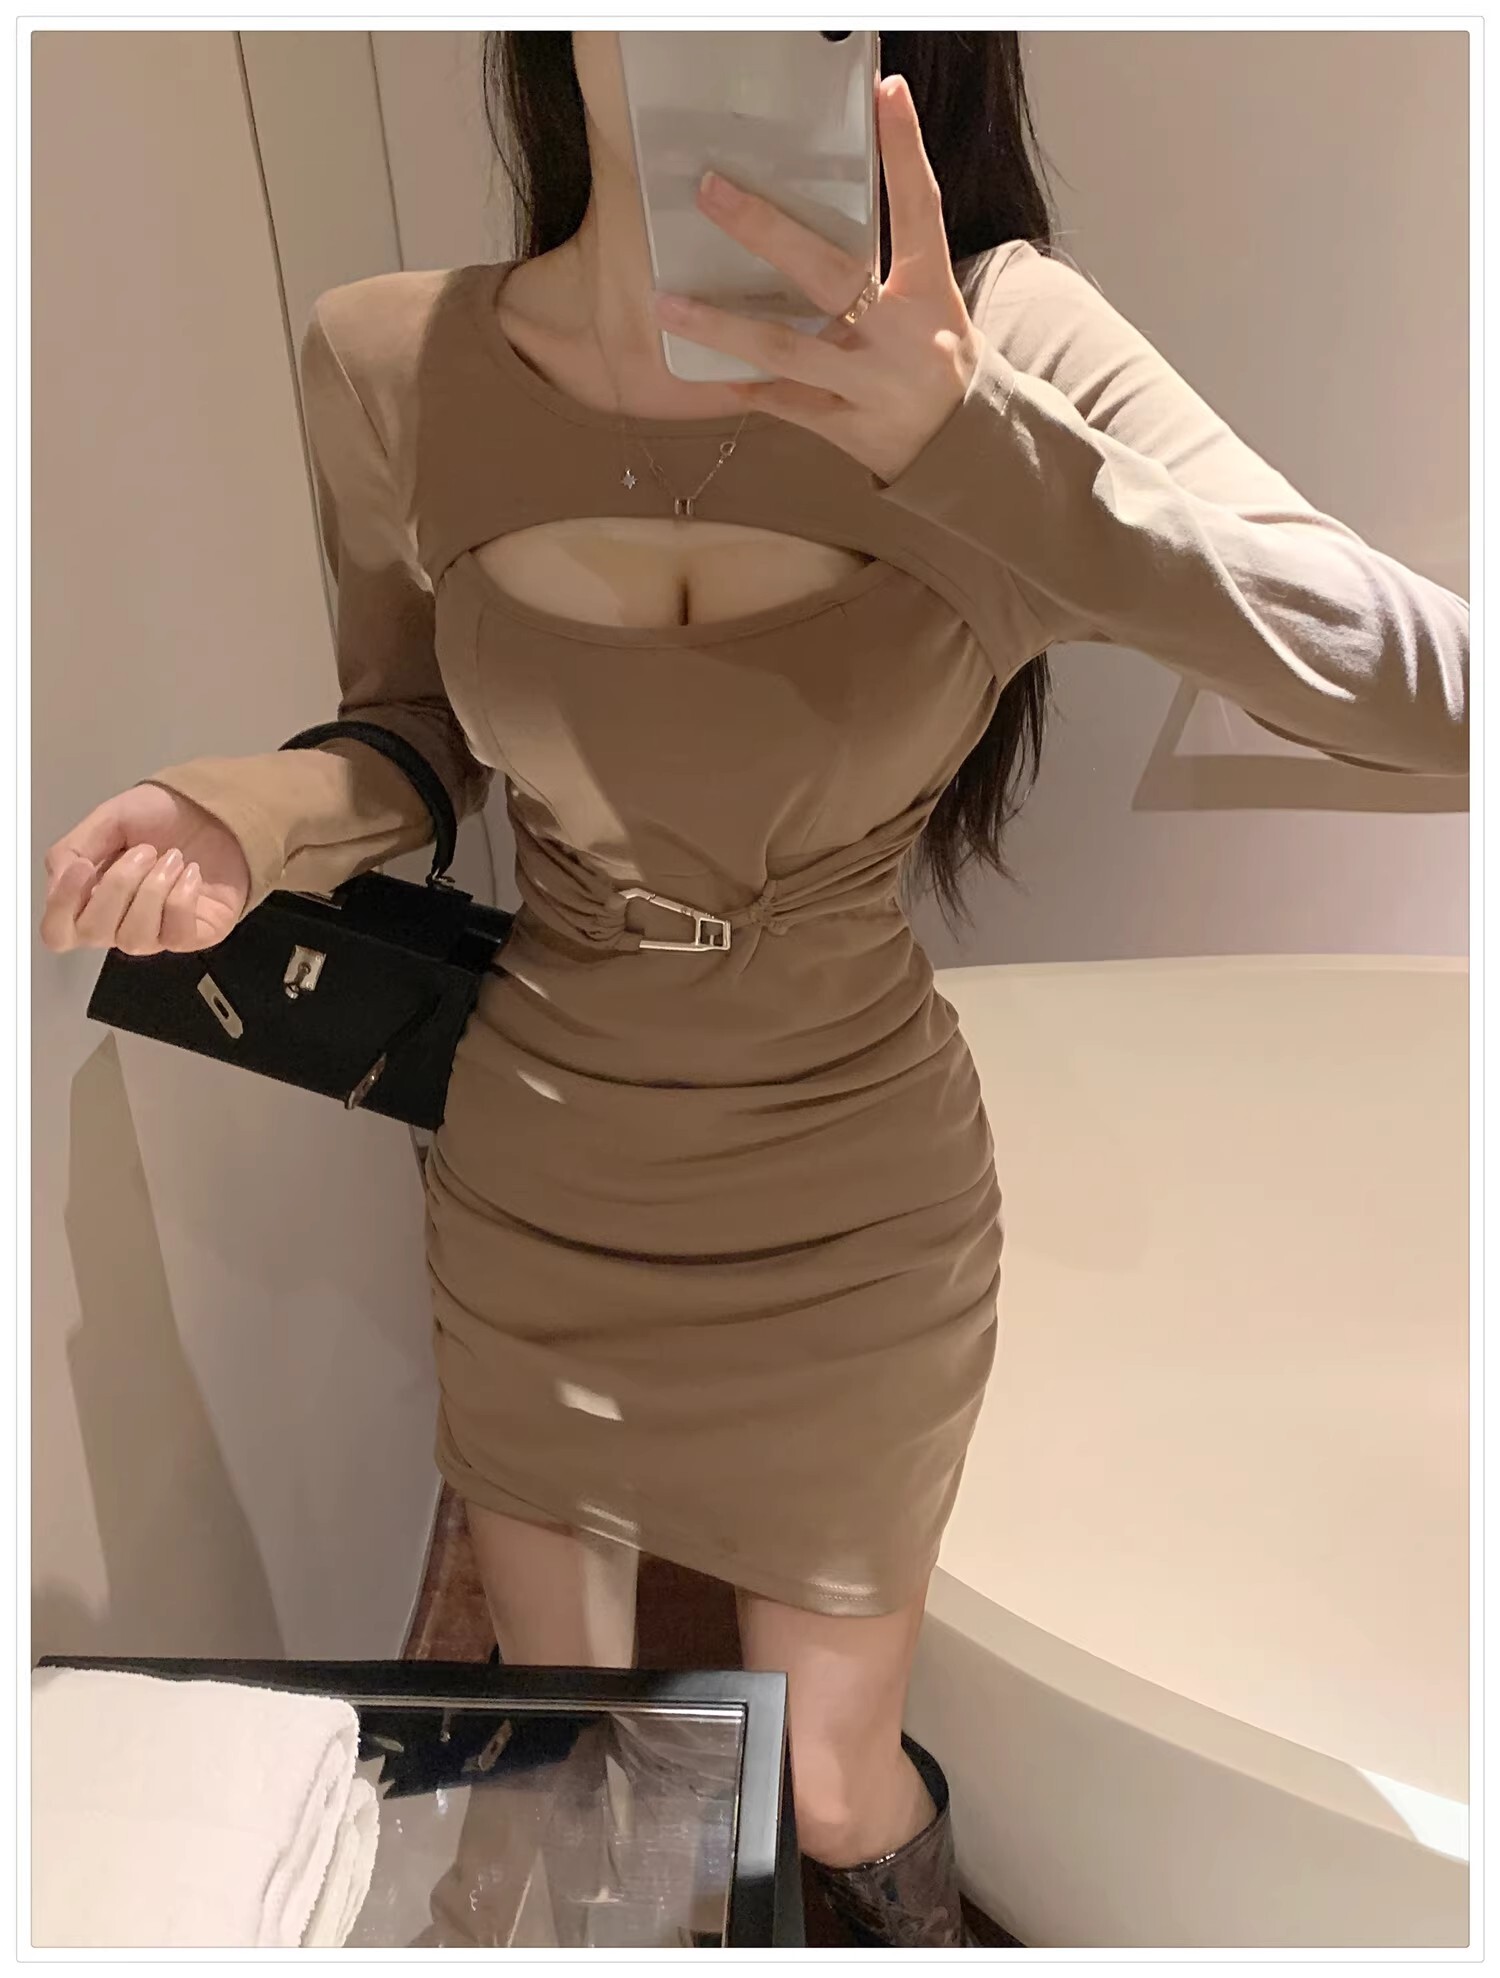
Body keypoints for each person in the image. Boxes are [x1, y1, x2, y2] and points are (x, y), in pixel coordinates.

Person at [40, 30, 1468, 1950]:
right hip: (545, 1181)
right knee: (583, 1771)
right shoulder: (392, 361)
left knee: (833, 1780)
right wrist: (247, 819)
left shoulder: (1007, 337)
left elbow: (1431, 695)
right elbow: (412, 727)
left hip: (852, 1204)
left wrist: (976, 450)